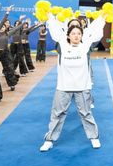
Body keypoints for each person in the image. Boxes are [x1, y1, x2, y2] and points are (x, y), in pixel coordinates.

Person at [40, 12, 105, 152]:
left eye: (79, 33)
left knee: (86, 113)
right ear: (68, 35)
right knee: (58, 114)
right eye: (73, 33)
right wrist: (50, 17)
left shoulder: (85, 45)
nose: (76, 36)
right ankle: (49, 140)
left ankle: (93, 137)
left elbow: (95, 32)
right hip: (64, 87)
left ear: (82, 35)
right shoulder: (62, 45)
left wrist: (102, 18)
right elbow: (55, 31)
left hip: (82, 87)